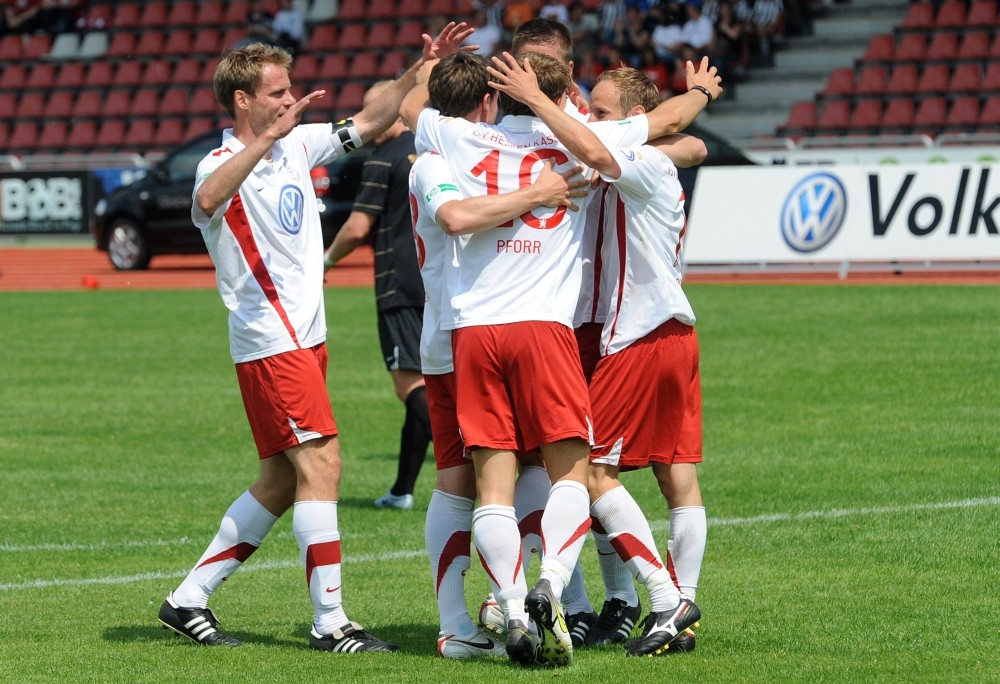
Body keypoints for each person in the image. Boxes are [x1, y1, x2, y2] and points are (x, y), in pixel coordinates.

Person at [156, 23, 474, 652]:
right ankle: (331, 621)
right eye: (276, 92)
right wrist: (268, 140)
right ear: (242, 101)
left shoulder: (297, 144)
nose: (288, 99)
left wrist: (418, 70)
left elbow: (368, 117)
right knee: (324, 463)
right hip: (270, 338)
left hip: (307, 337)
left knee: (280, 477)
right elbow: (208, 198)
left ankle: (187, 598)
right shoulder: (222, 161)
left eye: (288, 88)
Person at [486, 54, 715, 656]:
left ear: (638, 117)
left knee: (587, 471)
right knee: (674, 474)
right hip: (671, 332)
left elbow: (609, 150)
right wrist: (692, 105)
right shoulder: (654, 155)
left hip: (634, 334)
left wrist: (536, 101)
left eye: (604, 112)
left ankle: (646, 596)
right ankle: (669, 609)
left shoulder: (636, 161)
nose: (591, 118)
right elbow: (689, 144)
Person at [410, 126, 588, 657]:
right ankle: (485, 612)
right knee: (464, 483)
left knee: (507, 474)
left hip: (465, 333)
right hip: (463, 332)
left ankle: (506, 607)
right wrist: (540, 191)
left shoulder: (455, 153)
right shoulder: (437, 162)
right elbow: (457, 217)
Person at [323, 80, 430, 512]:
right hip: (440, 282)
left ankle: (467, 466)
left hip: (399, 285)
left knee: (415, 387)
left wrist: (324, 262)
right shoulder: (429, 150)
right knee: (441, 381)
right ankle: (405, 488)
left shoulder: (382, 159)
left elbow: (358, 227)